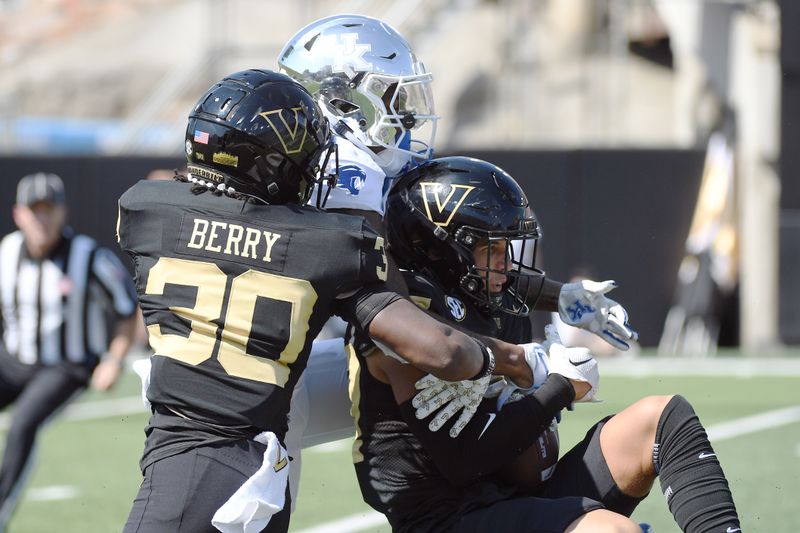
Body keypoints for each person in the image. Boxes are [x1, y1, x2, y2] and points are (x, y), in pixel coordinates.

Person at [118, 69, 536, 533]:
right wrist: (515, 362)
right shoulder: (327, 245)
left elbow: (218, 221)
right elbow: (440, 350)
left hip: (185, 464)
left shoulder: (144, 212)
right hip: (263, 474)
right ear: (272, 163)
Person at [276, 15, 638, 504]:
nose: (404, 116)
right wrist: (488, 358)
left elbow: (452, 268)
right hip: (267, 362)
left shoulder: (364, 171)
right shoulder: (338, 176)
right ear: (338, 101)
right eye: (390, 97)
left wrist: (560, 297)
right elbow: (389, 298)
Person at [347, 156, 743, 533]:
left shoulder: (472, 293)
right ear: (445, 251)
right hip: (451, 518)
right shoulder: (406, 331)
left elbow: (506, 287)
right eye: (492, 249)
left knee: (662, 417)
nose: (505, 264)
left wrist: (563, 299)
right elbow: (466, 463)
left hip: (510, 496)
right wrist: (558, 386)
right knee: (612, 530)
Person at [0, 172, 138, 530]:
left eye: (49, 209)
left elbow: (126, 310)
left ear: (63, 212)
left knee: (22, 425)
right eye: (35, 210)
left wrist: (113, 359)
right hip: (14, 359)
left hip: (67, 365)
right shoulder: (7, 251)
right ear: (19, 214)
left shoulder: (89, 256)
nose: (42, 218)